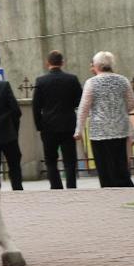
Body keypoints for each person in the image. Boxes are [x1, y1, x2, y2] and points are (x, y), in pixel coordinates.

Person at [74, 51, 134, 188]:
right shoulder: (123, 80)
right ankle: (125, 188)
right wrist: (119, 112)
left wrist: (79, 129)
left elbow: (83, 108)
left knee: (104, 166)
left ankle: (108, 189)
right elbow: (132, 103)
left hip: (99, 130)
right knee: (121, 163)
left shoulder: (91, 83)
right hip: (120, 128)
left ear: (96, 66)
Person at [32, 50, 84, 189]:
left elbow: (36, 106)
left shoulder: (41, 81)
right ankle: (71, 186)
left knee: (50, 160)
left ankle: (56, 187)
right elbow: (80, 101)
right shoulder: (72, 79)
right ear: (62, 63)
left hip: (48, 126)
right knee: (70, 159)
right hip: (68, 124)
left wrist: (39, 126)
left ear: (47, 63)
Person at [0, 76, 23, 190]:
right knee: (14, 165)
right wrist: (14, 129)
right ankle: (17, 190)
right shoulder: (3, 86)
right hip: (8, 132)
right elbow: (16, 111)